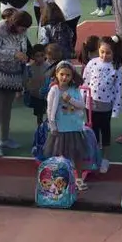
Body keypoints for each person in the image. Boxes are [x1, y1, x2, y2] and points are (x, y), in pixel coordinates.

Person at [0, 7, 33, 157]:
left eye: (25, 29)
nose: (23, 31)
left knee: (7, 108)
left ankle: (4, 138)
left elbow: (23, 47)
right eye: (22, 28)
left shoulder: (22, 32)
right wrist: (14, 54)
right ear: (14, 24)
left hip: (12, 75)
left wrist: (24, 57)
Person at [43, 60, 90, 192]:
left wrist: (70, 99)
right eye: (62, 74)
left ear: (72, 76)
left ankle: (79, 179)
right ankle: (60, 180)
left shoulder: (74, 89)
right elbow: (49, 110)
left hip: (74, 127)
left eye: (68, 75)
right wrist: (53, 127)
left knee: (77, 155)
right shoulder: (54, 90)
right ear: (56, 74)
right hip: (60, 128)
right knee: (60, 156)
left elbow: (82, 105)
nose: (64, 77)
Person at [81, 37, 122, 173]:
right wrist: (82, 99)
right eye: (102, 52)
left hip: (106, 106)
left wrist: (116, 109)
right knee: (92, 131)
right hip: (90, 104)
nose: (104, 55)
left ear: (114, 52)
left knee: (105, 132)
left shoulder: (116, 68)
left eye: (108, 53)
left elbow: (118, 90)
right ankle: (94, 157)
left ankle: (105, 159)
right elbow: (85, 82)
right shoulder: (92, 63)